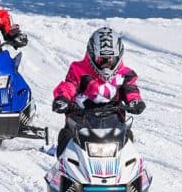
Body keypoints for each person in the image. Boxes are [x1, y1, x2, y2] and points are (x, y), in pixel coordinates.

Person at [51, 26, 145, 156]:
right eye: (102, 60)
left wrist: (135, 101)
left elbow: (131, 89)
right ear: (92, 55)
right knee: (66, 136)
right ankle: (65, 169)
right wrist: (63, 99)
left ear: (118, 57)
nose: (106, 65)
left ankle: (128, 171)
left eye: (110, 60)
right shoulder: (78, 70)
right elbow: (69, 85)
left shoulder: (125, 74)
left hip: (113, 121)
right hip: (81, 121)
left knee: (128, 136)